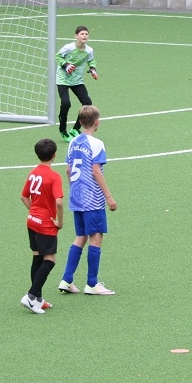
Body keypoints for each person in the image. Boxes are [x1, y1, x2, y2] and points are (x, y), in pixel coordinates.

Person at [58, 105, 117, 296]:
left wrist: (74, 190)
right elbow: (96, 171)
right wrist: (108, 196)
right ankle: (92, 283)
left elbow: (68, 170)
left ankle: (67, 279)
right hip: (93, 198)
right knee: (96, 236)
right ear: (97, 122)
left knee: (81, 235)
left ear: (81, 122)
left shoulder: (73, 142)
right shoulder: (97, 143)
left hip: (77, 197)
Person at [20, 138, 64, 314]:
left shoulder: (33, 173)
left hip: (32, 220)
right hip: (46, 223)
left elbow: (24, 196)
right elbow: (59, 202)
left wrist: (34, 212)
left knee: (37, 257)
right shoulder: (54, 176)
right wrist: (59, 222)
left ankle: (38, 299)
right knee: (50, 260)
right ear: (54, 155)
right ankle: (31, 296)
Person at [56, 26, 99, 143]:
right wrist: (66, 65)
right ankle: (63, 130)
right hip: (63, 80)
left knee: (87, 103)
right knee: (66, 103)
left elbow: (91, 60)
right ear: (76, 36)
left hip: (77, 80)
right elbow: (58, 56)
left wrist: (93, 69)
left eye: (86, 34)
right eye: (82, 34)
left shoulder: (89, 50)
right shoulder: (68, 48)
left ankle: (75, 129)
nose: (85, 36)